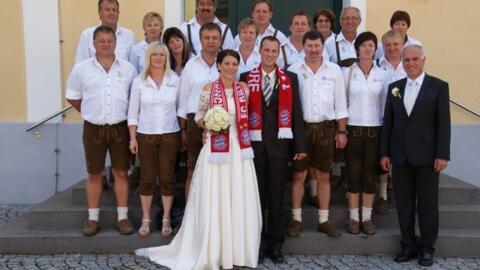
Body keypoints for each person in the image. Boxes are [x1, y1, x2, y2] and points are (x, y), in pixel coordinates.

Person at [136, 49, 262, 269]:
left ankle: (237, 250)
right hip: (216, 147)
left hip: (239, 148)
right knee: (216, 196)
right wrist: (211, 123)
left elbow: (249, 116)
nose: (231, 68)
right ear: (219, 66)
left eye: (235, 64)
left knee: (238, 194)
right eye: (227, 63)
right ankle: (213, 249)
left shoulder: (244, 89)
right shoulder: (208, 90)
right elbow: (200, 117)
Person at [380, 44, 451, 267]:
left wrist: (442, 153)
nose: (410, 63)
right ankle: (408, 245)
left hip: (428, 157)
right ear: (402, 62)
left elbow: (444, 124)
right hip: (400, 157)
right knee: (404, 204)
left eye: (414, 59)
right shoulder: (395, 88)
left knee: (428, 204)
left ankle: (427, 248)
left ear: (423, 60)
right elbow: (388, 123)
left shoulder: (438, 86)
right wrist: (385, 153)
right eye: (407, 60)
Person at [240, 36, 307, 263]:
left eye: (274, 51)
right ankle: (256, 245)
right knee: (256, 199)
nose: (270, 54)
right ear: (260, 51)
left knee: (277, 198)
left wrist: (300, 145)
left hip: (279, 148)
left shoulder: (290, 78)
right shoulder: (246, 78)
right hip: (254, 147)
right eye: (266, 50)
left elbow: (297, 112)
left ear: (278, 53)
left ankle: (276, 245)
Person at [66, 26, 137, 236]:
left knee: (121, 174)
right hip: (93, 128)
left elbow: (135, 99)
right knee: (94, 174)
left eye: (110, 40)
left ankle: (122, 218)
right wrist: (88, 111)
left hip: (120, 128)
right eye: (101, 41)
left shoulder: (128, 69)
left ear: (115, 43)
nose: (106, 44)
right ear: (94, 44)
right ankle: (92, 219)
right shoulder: (81, 69)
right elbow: (72, 95)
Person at [287, 30, 347, 238]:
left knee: (324, 175)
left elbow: (340, 104)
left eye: (317, 46)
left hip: (326, 128)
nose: (313, 50)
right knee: (298, 175)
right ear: (303, 46)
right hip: (301, 129)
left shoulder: (334, 71)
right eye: (309, 46)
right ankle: (296, 220)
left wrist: (342, 131)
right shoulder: (293, 70)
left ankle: (323, 221)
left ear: (323, 47)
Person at [127, 42, 184, 237]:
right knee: (147, 178)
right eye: (155, 54)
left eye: (162, 54)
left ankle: (166, 217)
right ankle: (146, 218)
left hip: (170, 134)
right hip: (146, 136)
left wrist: (183, 132)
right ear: (148, 57)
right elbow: (133, 112)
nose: (158, 58)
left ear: (166, 58)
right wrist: (132, 138)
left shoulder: (174, 80)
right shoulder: (139, 82)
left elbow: (180, 109)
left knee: (168, 178)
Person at [343, 32, 389, 235]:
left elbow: (386, 104)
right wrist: (342, 131)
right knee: (353, 174)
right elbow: (342, 104)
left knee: (369, 175)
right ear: (357, 49)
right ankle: (353, 218)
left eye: (371, 45)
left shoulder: (383, 75)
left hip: (374, 130)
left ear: (375, 49)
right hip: (353, 129)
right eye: (364, 45)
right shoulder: (348, 73)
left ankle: (367, 218)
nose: (367, 49)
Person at [179, 23, 222, 200]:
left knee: (219, 170)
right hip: (195, 122)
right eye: (207, 38)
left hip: (222, 122)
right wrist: (183, 130)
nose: (211, 41)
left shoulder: (228, 62)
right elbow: (183, 99)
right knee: (193, 168)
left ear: (220, 40)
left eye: (214, 38)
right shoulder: (191, 65)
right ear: (200, 40)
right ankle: (191, 215)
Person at [374, 30, 406, 215]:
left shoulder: (408, 66)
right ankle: (383, 196)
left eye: (396, 44)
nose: (392, 48)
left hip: (403, 121)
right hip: (382, 119)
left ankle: (405, 196)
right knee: (383, 159)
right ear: (383, 46)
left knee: (403, 158)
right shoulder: (377, 65)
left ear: (402, 44)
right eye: (388, 45)